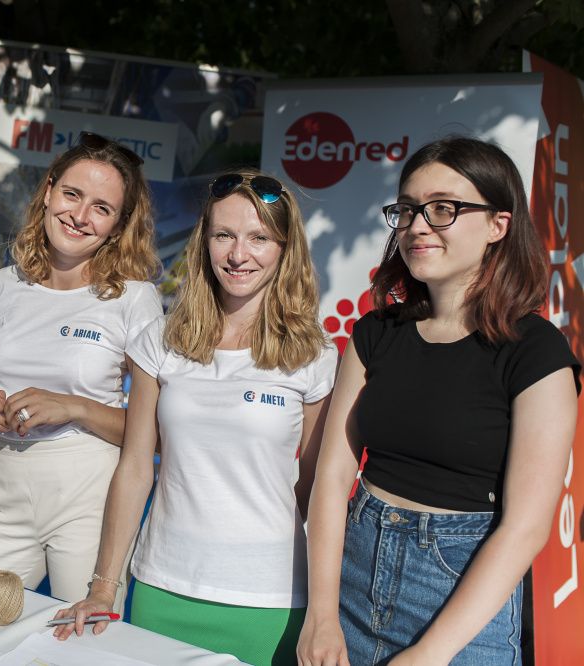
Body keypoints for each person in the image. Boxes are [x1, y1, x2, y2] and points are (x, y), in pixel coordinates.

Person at [297, 137, 580, 666]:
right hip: (351, 580)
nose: (418, 226)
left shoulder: (536, 352)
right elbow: (333, 478)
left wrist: (430, 654)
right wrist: (321, 616)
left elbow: (525, 528)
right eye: (407, 210)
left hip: (462, 607)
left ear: (497, 225)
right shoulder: (375, 333)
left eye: (443, 208)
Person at [54, 169, 337, 665]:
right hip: (163, 585)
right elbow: (135, 469)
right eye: (223, 235)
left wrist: (322, 610)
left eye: (258, 238)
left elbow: (317, 490)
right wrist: (103, 586)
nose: (238, 254)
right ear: (204, 241)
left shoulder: (313, 356)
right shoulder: (162, 340)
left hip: (267, 599)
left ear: (285, 248)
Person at [0, 132, 162, 605]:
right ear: (49, 191)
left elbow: (152, 433)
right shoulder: (2, 286)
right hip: (5, 486)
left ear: (118, 224)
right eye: (72, 194)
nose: (80, 215)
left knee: (82, 638)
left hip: (90, 499)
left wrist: (75, 407)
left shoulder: (135, 299)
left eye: (101, 207)